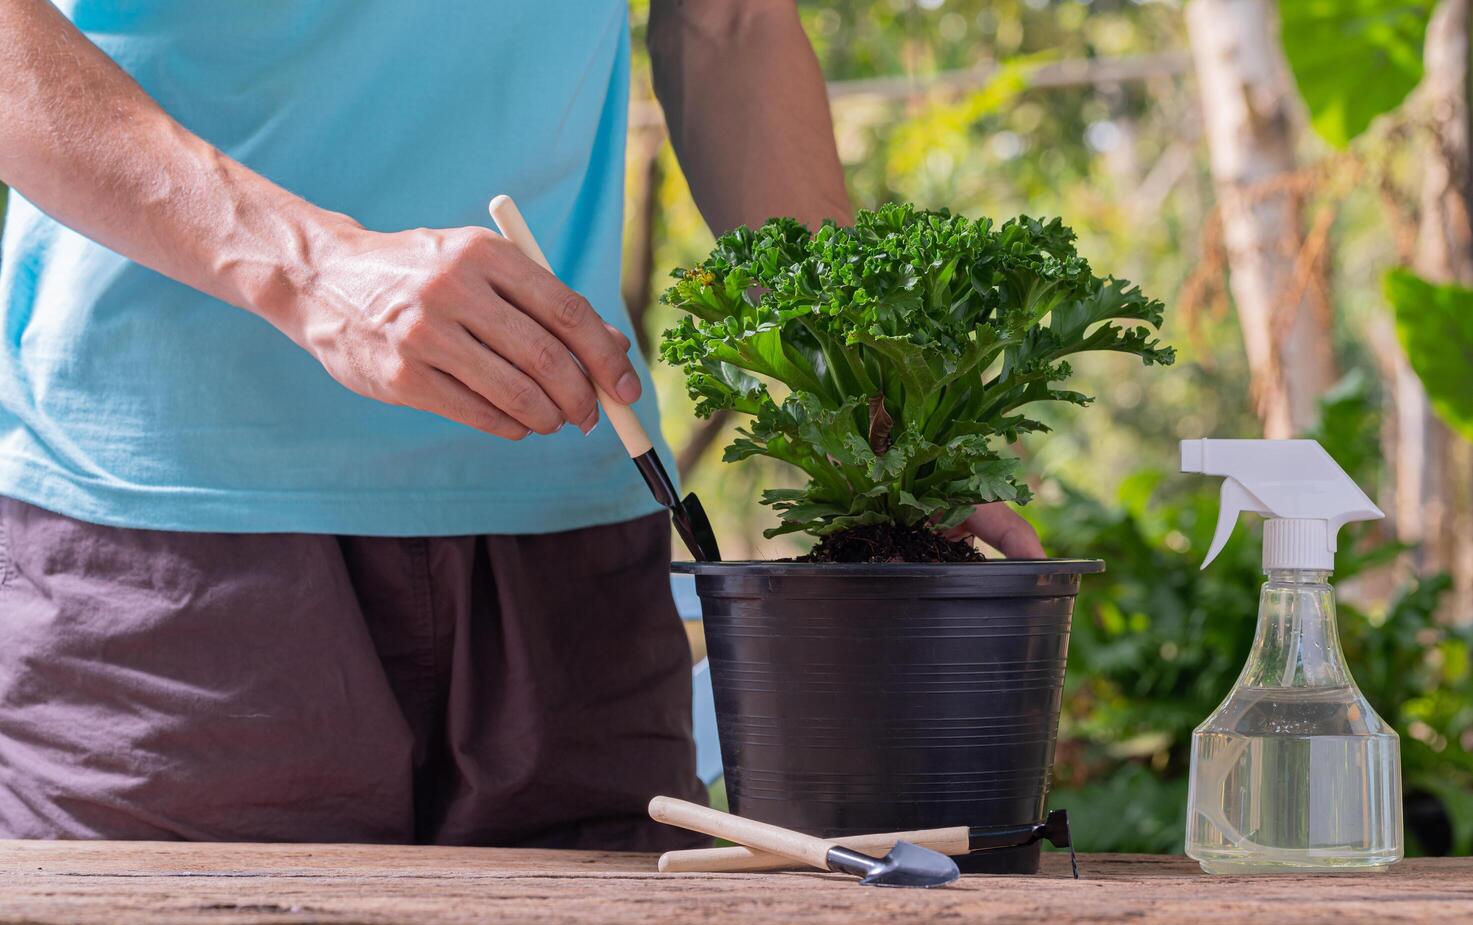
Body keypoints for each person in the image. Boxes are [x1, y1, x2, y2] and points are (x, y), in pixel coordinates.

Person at [0, 0, 1043, 847]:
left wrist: (879, 411)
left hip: (572, 548)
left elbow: (730, 24)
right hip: (169, 550)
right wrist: (311, 265)